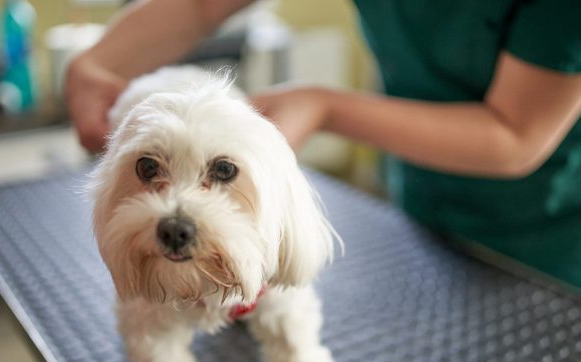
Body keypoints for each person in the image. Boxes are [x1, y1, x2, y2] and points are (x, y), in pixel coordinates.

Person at [65, 0, 581, 289]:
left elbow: (516, 135)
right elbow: (203, 5)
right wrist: (94, 63)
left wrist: (324, 106)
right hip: (425, 202)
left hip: (553, 240)